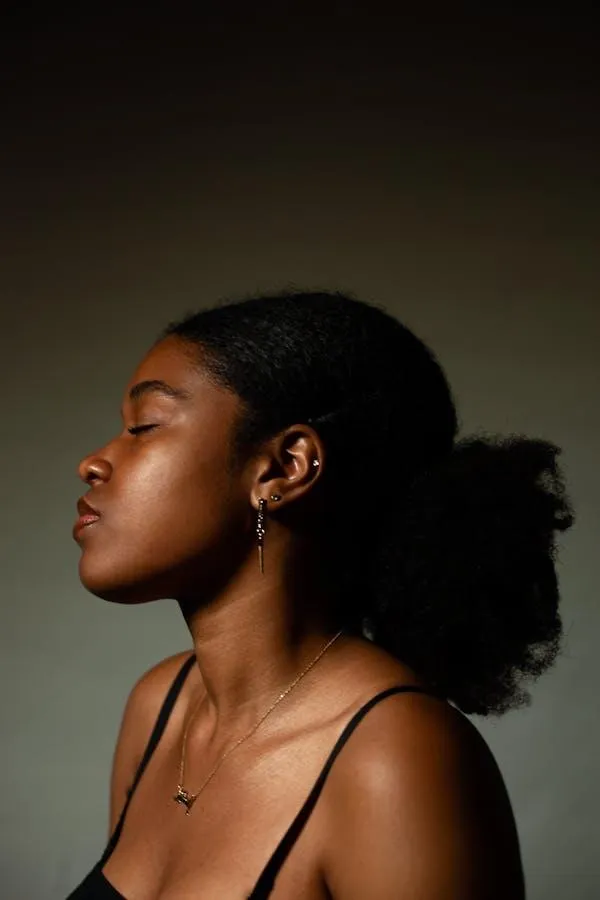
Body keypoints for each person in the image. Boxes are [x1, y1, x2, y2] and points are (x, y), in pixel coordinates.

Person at [66, 290, 574, 899]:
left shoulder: (393, 757)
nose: (94, 463)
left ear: (284, 467)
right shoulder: (160, 709)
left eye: (143, 427)